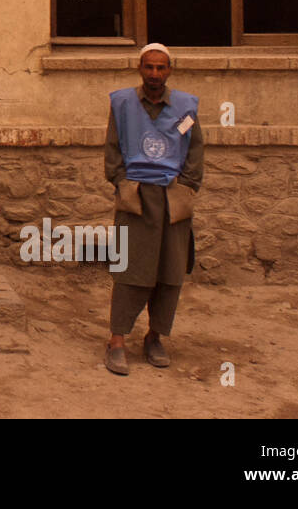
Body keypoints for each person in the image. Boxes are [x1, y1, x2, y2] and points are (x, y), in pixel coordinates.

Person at [103, 43, 204, 376]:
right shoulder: (122, 104)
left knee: (169, 271)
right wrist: (121, 183)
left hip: (173, 198)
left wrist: (187, 187)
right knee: (130, 268)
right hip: (136, 196)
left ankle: (155, 337)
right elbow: (113, 149)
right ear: (139, 68)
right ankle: (117, 341)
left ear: (170, 70)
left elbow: (194, 152)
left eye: (161, 68)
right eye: (149, 67)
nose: (155, 74)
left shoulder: (186, 109)